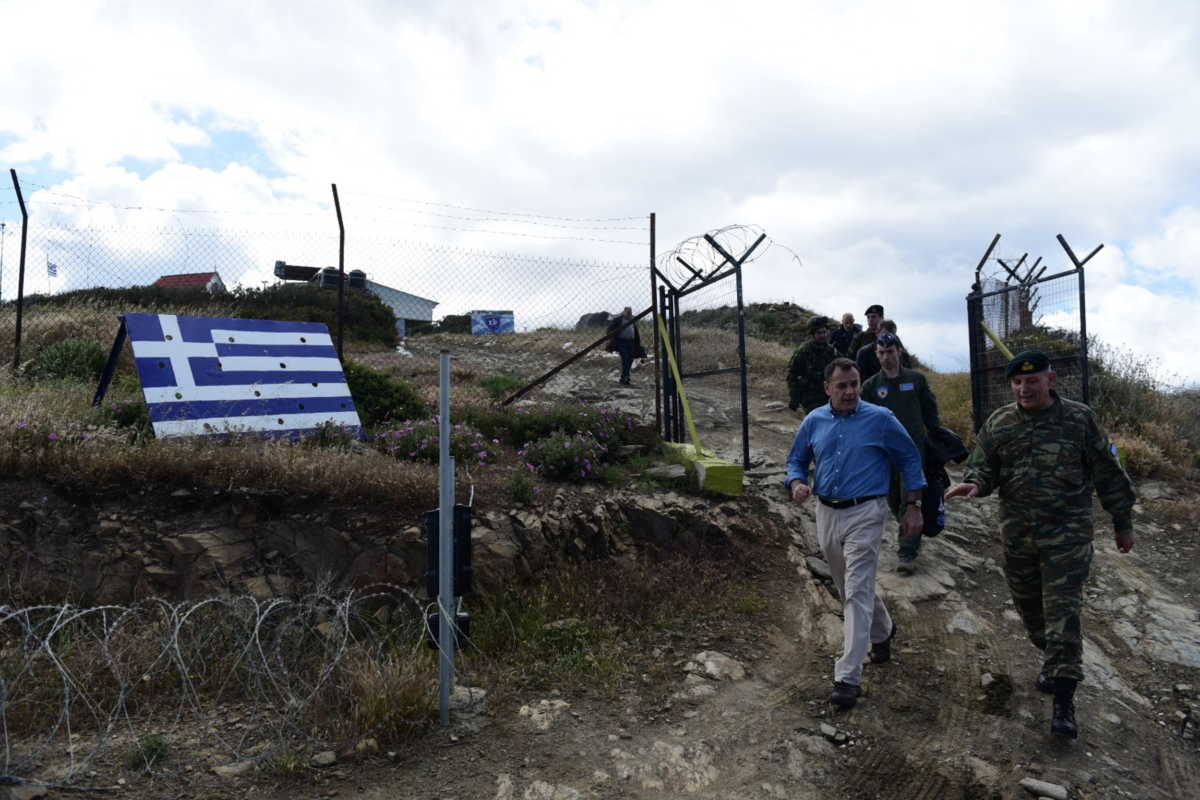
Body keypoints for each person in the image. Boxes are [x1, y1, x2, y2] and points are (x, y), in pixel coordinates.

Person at [946, 350, 1136, 739]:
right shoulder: (1000, 423)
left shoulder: (1079, 419)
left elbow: (1108, 472)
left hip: (1068, 537)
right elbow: (984, 467)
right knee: (1032, 615)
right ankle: (1052, 662)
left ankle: (1064, 700)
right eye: (1017, 382)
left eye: (1031, 381)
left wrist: (1122, 522)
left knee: (1062, 614)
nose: (1023, 388)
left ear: (1051, 380)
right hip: (1019, 538)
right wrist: (976, 484)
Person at [786, 358, 926, 710]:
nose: (850, 391)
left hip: (867, 510)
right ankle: (883, 631)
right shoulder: (813, 420)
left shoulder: (880, 419)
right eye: (842, 385)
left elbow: (910, 458)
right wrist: (797, 482)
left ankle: (847, 677)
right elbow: (796, 460)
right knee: (849, 585)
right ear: (827, 388)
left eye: (854, 384)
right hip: (826, 512)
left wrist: (913, 505)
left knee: (856, 590)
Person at [861, 332, 945, 572]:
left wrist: (936, 435)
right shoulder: (871, 386)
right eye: (881, 352)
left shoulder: (916, 379)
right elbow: (863, 418)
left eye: (890, 351)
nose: (886, 357)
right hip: (884, 453)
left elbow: (930, 411)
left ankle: (907, 551)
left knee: (911, 498)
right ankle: (909, 529)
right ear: (877, 355)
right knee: (893, 498)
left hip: (914, 451)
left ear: (899, 351)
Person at [787, 317, 837, 413]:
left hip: (829, 395)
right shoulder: (803, 351)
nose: (823, 335)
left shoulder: (832, 351)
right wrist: (795, 398)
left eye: (824, 332)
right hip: (810, 397)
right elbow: (792, 375)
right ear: (812, 334)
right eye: (819, 333)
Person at [605, 307, 643, 385]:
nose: (629, 313)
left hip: (632, 342)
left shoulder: (632, 320)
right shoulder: (619, 320)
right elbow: (609, 330)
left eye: (630, 312)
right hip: (622, 342)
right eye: (627, 312)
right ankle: (626, 377)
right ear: (624, 312)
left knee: (630, 359)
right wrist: (611, 337)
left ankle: (624, 377)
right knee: (625, 358)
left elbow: (635, 332)